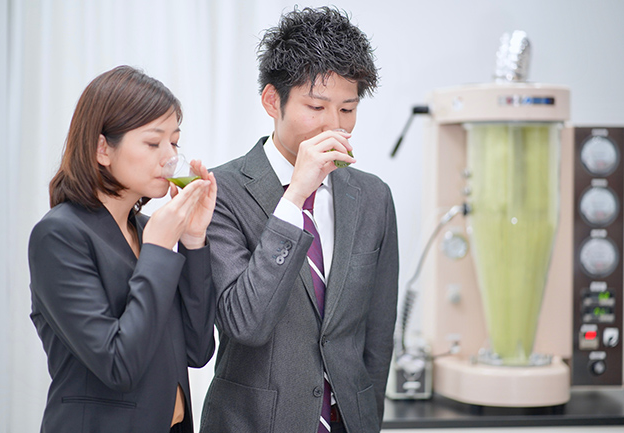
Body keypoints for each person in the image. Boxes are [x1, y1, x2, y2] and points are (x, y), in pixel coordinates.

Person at [200, 7, 398, 433]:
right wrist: (295, 197)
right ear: (273, 101)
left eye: (347, 109)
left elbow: (378, 334)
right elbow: (244, 323)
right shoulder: (220, 191)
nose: (335, 125)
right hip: (253, 422)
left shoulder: (373, 197)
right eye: (316, 106)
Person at [28, 65, 217, 433]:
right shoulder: (59, 235)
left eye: (174, 142)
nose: (169, 157)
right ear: (102, 148)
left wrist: (193, 240)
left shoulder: (148, 231)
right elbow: (119, 365)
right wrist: (160, 250)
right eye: (152, 142)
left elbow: (197, 350)